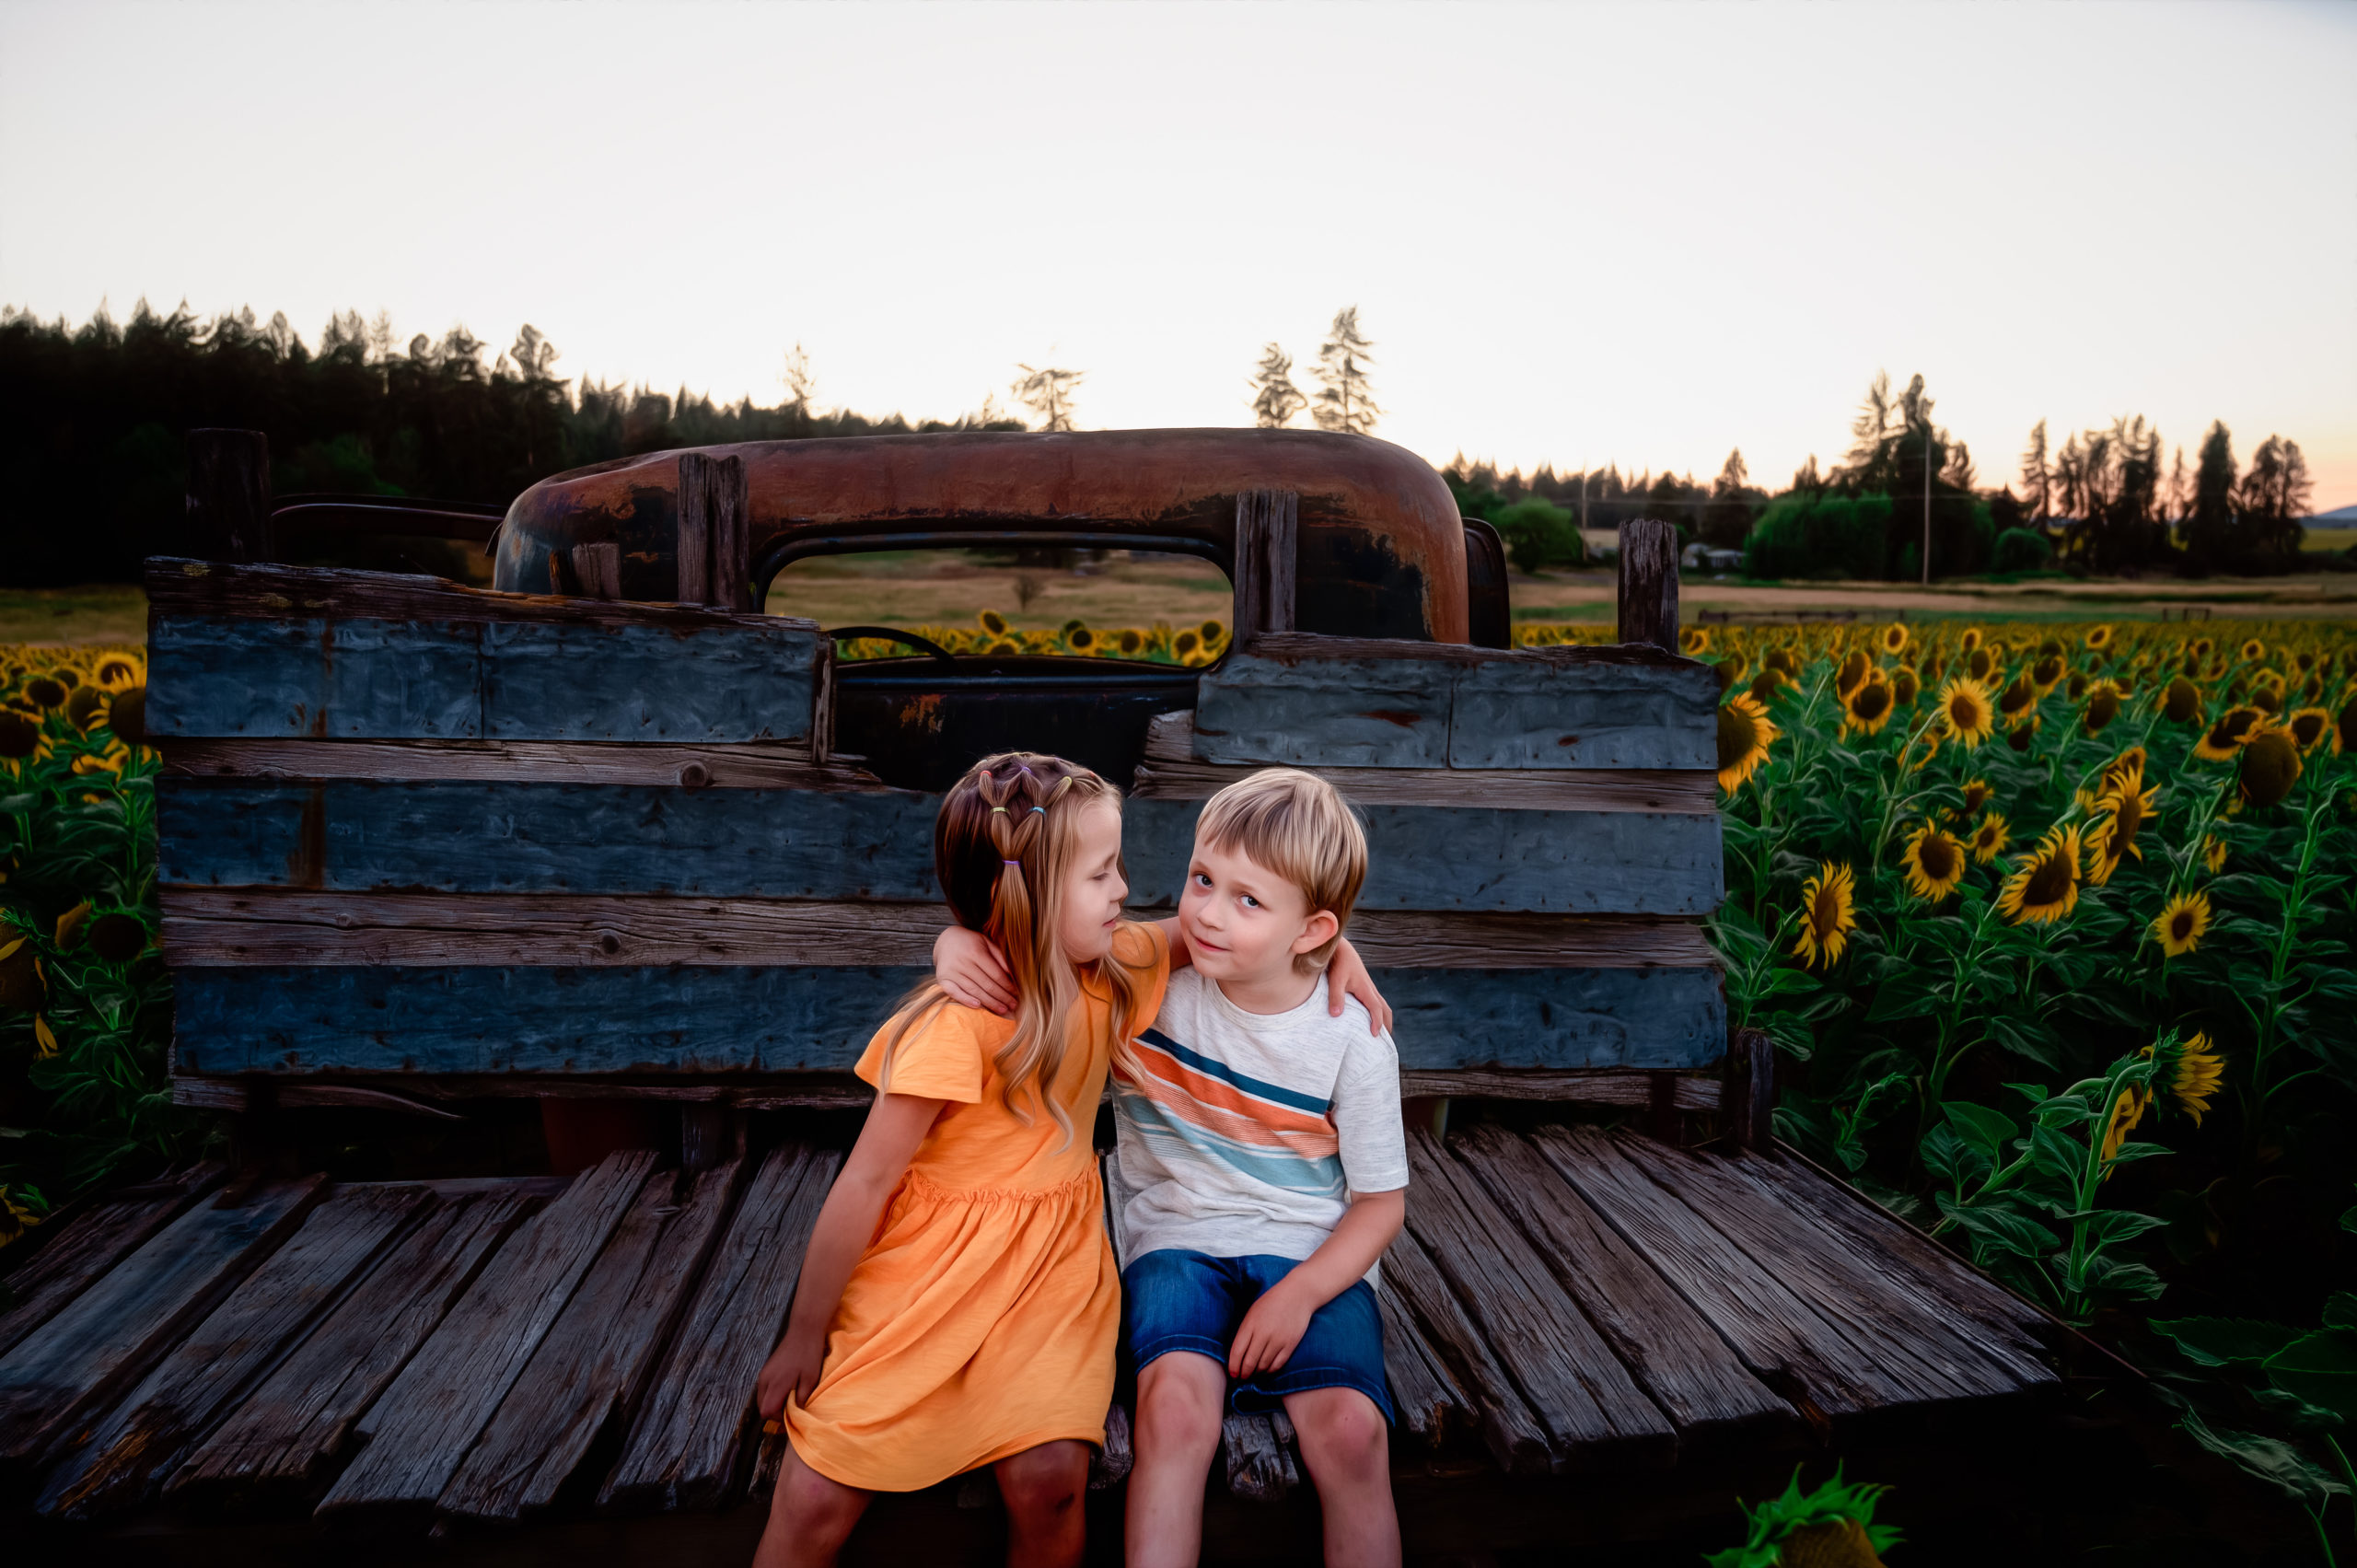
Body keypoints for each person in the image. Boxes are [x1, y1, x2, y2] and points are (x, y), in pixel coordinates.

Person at [753, 754, 1390, 1568]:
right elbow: (865, 1182)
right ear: (1034, 897)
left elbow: (1258, 939)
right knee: (813, 1490)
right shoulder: (957, 1025)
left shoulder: (1113, 971)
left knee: (1051, 1474)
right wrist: (806, 1334)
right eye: (1102, 874)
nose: (1127, 889)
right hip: (931, 1273)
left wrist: (1341, 952)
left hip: (1052, 1272)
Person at [937, 768, 1406, 1568]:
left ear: (1312, 929)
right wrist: (953, 939)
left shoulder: (1351, 1038)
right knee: (1175, 1414)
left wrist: (1299, 1294)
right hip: (1175, 1238)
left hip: (1308, 1250)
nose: (1209, 914)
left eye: (1248, 900)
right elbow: (1033, 931)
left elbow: (1379, 1206)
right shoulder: (1137, 983)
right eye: (1202, 879)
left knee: (1354, 1432)